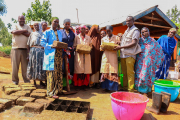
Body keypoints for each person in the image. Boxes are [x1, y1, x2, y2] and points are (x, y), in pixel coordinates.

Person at [114, 16, 141, 92]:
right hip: (123, 54)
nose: (127, 22)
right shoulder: (126, 31)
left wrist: (121, 46)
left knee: (130, 73)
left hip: (130, 54)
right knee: (124, 73)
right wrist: (119, 43)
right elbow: (124, 41)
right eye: (126, 21)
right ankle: (125, 87)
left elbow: (134, 43)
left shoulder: (135, 31)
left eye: (129, 21)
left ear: (133, 21)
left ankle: (130, 89)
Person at [135, 27, 164, 96]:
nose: (144, 33)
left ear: (148, 32)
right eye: (142, 32)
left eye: (145, 31)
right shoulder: (139, 41)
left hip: (149, 62)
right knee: (139, 75)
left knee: (146, 76)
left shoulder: (153, 41)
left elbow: (159, 51)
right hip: (139, 62)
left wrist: (155, 61)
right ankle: (139, 90)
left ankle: (145, 91)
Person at [41, 17, 63, 98]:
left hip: (58, 55)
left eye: (57, 22)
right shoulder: (47, 32)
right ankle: (50, 92)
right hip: (51, 55)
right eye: (55, 22)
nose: (56, 23)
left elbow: (59, 43)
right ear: (51, 22)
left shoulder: (59, 32)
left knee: (58, 72)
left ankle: (57, 90)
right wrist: (52, 46)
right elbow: (42, 43)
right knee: (51, 73)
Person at [11, 15, 31, 85]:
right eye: (20, 19)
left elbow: (29, 35)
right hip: (15, 49)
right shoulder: (15, 25)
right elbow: (14, 32)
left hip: (25, 49)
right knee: (15, 66)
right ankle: (15, 80)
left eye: (23, 19)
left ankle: (26, 80)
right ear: (18, 19)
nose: (22, 20)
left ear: (24, 20)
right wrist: (24, 31)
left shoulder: (27, 26)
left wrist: (19, 32)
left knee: (25, 67)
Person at [100, 25, 119, 92]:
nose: (108, 32)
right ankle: (105, 88)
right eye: (107, 31)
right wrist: (103, 47)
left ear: (112, 31)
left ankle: (112, 88)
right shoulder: (103, 39)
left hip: (113, 56)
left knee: (112, 71)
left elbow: (118, 46)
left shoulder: (116, 37)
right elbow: (101, 48)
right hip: (105, 56)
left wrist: (116, 45)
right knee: (105, 71)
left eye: (109, 31)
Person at [73, 25, 92, 90]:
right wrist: (78, 49)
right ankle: (78, 85)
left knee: (85, 71)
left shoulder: (88, 38)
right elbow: (74, 46)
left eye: (84, 29)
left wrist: (87, 49)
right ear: (80, 30)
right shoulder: (76, 37)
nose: (83, 30)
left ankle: (84, 85)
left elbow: (90, 46)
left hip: (86, 56)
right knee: (79, 70)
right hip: (79, 55)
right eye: (82, 29)